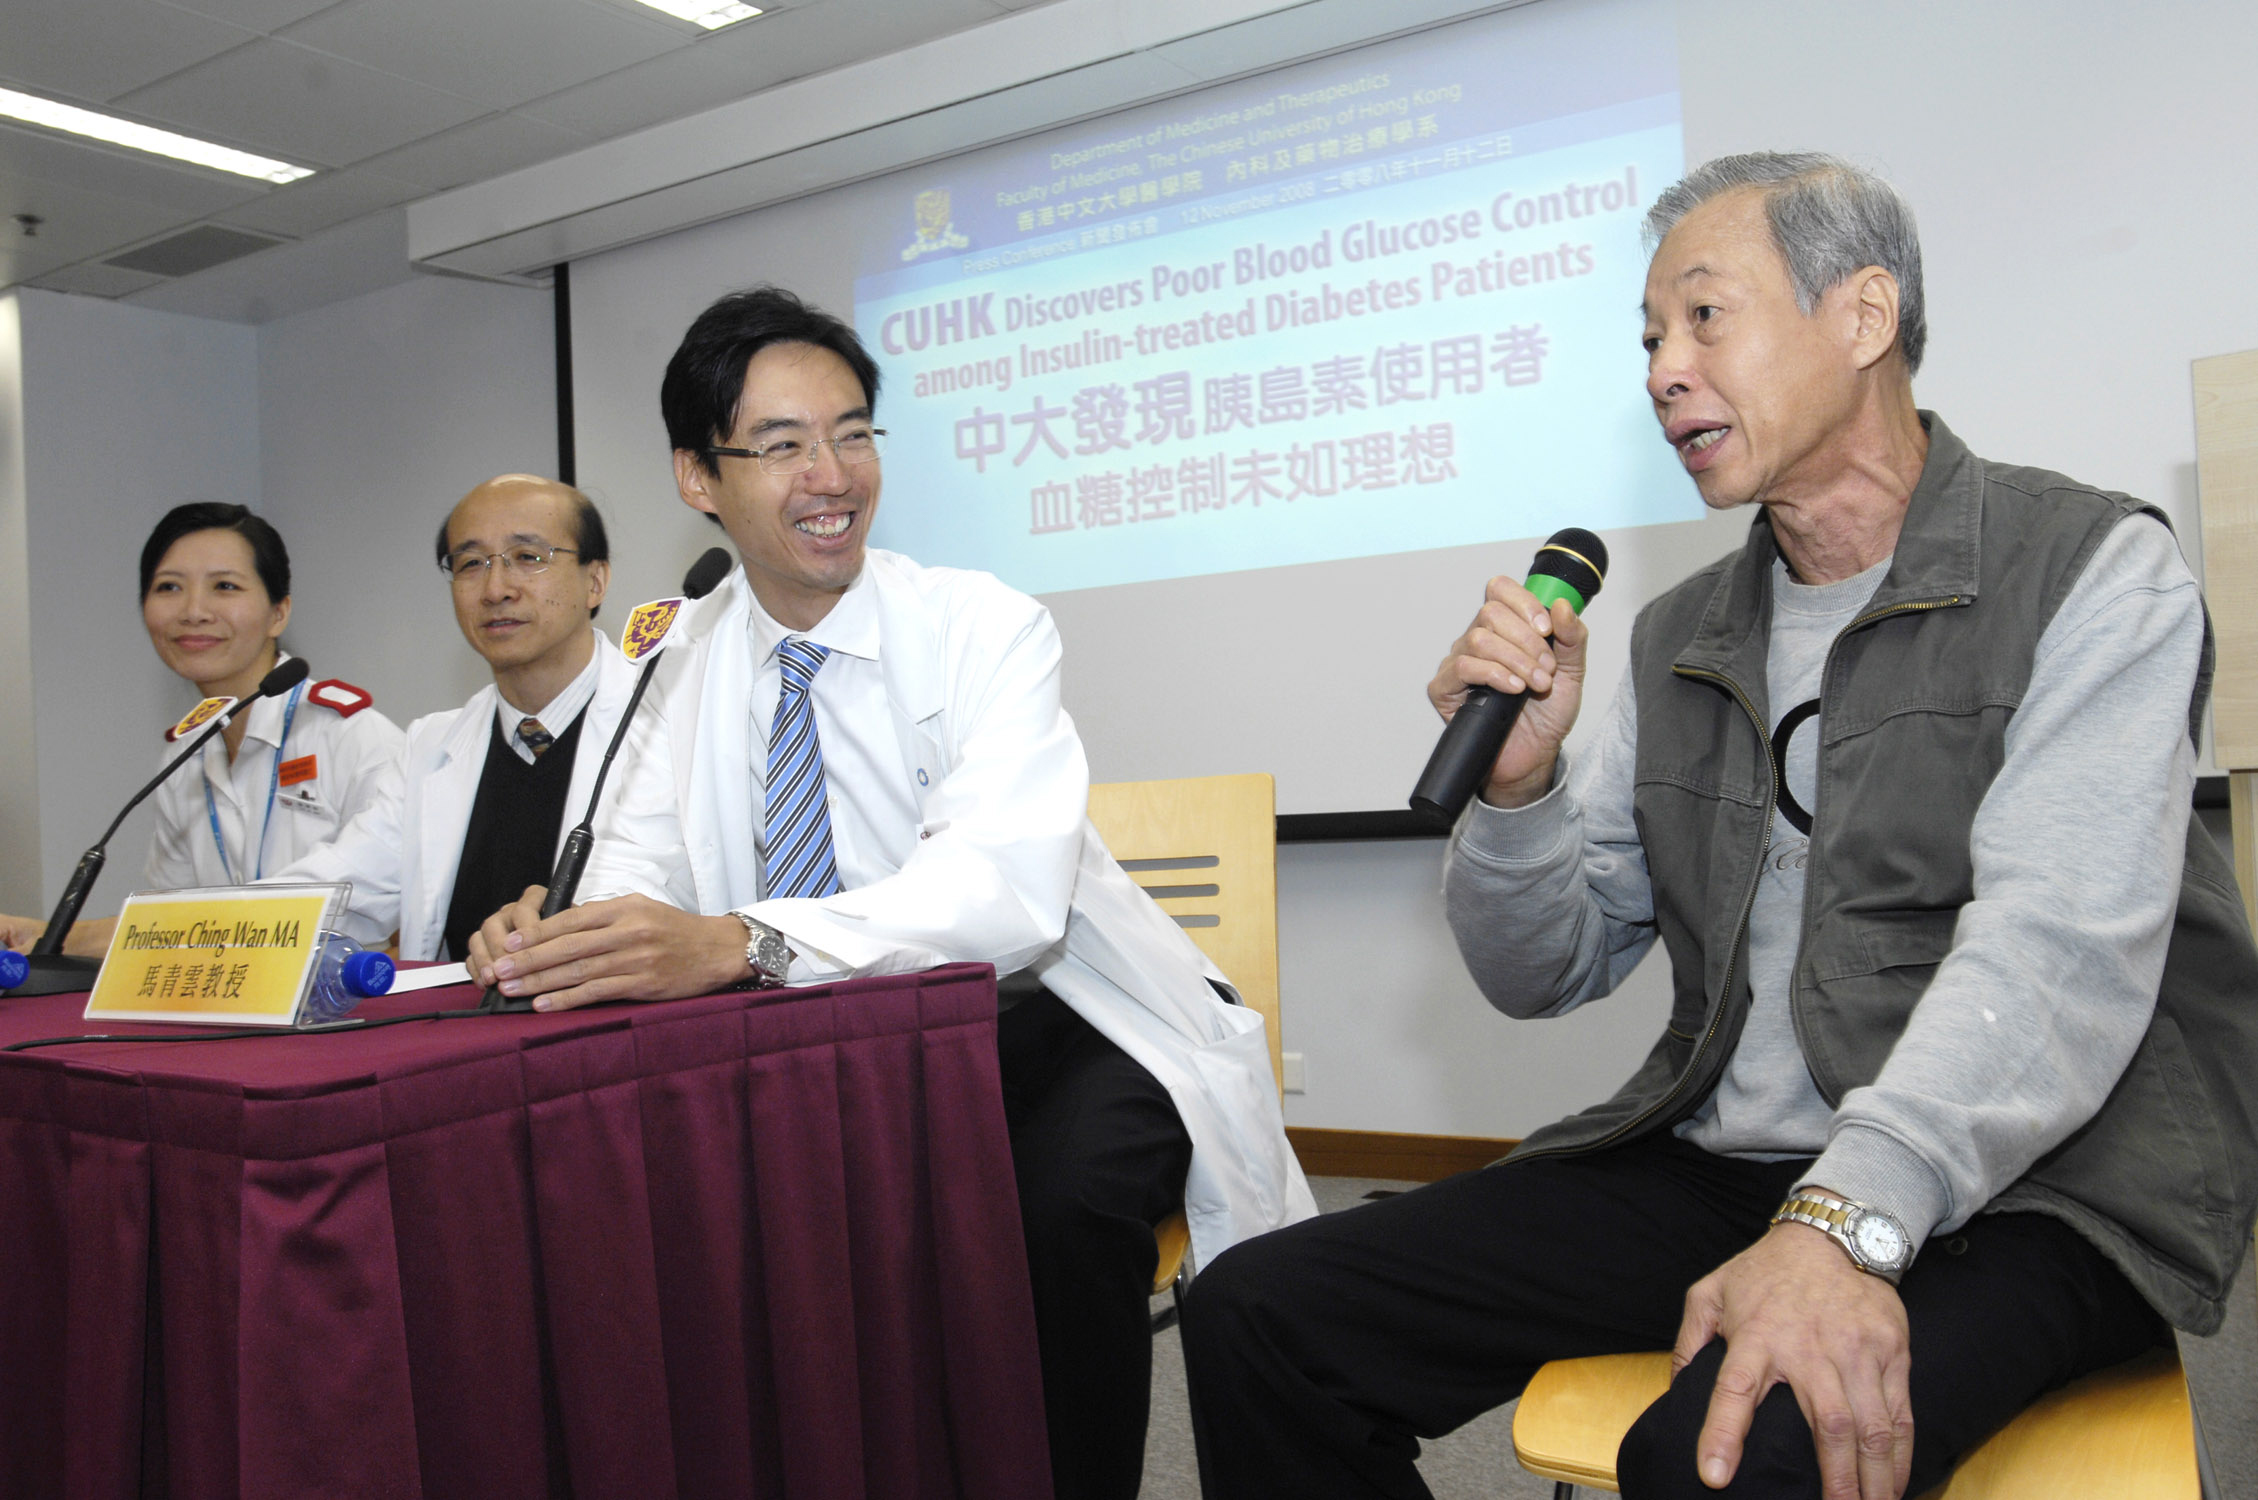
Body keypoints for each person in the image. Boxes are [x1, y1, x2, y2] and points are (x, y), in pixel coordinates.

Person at [1180, 152, 2258, 1500]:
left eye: (1703, 317)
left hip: (2039, 1182)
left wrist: (1839, 1224)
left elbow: (2056, 955)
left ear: (1861, 317)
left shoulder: (2093, 569)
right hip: (1728, 1163)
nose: (1659, 371)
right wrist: (1518, 791)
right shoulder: (1677, 635)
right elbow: (1543, 972)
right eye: (1646, 339)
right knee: (1260, 1312)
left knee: (1711, 1456)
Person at [464, 286, 1314, 1500]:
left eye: (852, 432)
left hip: (1057, 1018)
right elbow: (634, 868)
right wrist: (566, 928)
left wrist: (739, 942)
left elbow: (1001, 895)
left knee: (1050, 1211)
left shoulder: (982, 626)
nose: (832, 473)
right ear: (697, 479)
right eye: (782, 444)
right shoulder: (669, 662)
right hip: (823, 1043)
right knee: (687, 1207)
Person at [1, 503, 404, 955]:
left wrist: (61, 936)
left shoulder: (352, 736)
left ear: (279, 612)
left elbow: (369, 906)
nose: (193, 611)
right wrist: (37, 937)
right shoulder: (183, 756)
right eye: (169, 587)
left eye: (225, 586)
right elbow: (167, 927)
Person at [273, 475, 631, 961]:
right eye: (470, 564)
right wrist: (181, 930)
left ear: (596, 581)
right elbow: (341, 890)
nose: (496, 588)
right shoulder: (431, 744)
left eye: (527, 558)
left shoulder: (665, 719)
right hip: (467, 1033)